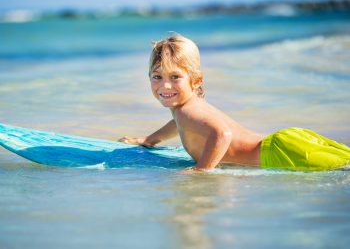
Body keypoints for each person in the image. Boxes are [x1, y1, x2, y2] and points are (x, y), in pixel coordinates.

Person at [119, 34, 350, 172]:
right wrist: (149, 139)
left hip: (280, 154)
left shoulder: (188, 110)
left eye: (175, 77)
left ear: (196, 80)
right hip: (284, 143)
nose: (165, 86)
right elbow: (179, 125)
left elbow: (222, 134)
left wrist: (202, 170)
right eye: (157, 77)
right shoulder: (184, 110)